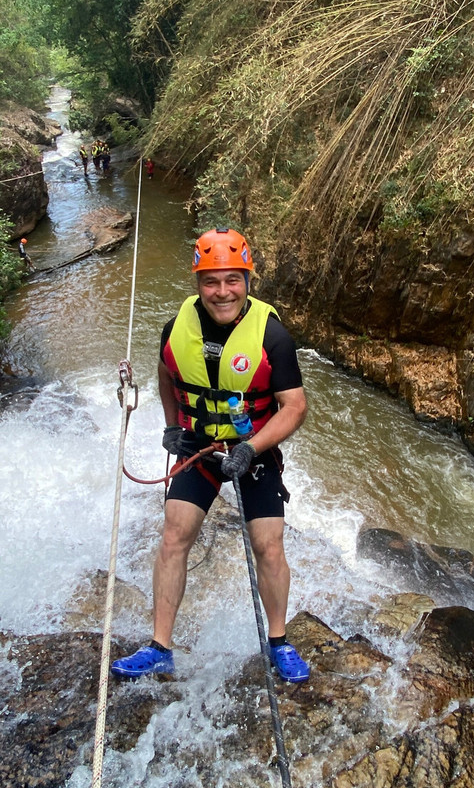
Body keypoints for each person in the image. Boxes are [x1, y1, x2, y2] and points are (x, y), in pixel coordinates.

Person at [111, 227, 310, 683]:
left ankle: (279, 641)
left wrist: (251, 448)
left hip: (252, 451)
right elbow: (166, 373)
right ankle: (160, 646)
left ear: (247, 279)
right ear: (197, 282)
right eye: (211, 281)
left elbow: (294, 406)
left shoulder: (273, 336)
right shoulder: (175, 328)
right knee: (173, 536)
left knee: (269, 544)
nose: (222, 292)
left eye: (232, 280)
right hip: (200, 447)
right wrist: (172, 425)